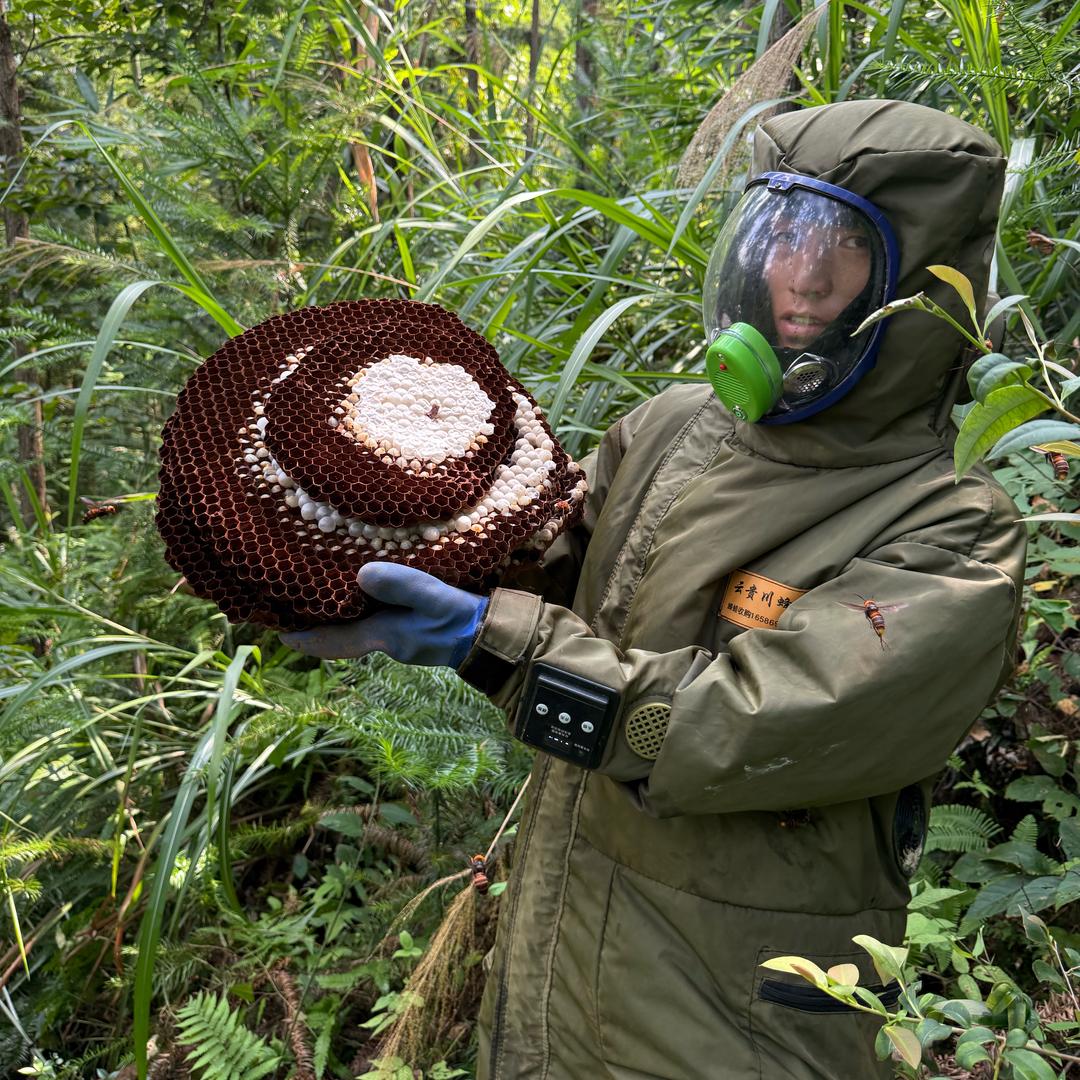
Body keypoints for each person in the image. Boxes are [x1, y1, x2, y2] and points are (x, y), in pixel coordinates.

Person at [282, 99, 1027, 1079]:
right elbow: (555, 558)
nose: (799, 279)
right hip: (557, 978)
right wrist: (393, 535)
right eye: (783, 234)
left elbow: (723, 730)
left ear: (926, 289)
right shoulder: (675, 429)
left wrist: (488, 641)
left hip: (738, 1028)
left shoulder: (952, 536)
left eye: (847, 247)